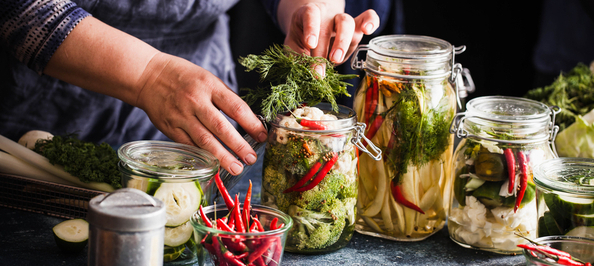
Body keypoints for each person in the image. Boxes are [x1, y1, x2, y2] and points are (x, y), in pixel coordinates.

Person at [0, 0, 380, 175]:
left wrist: (313, 12)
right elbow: (19, 8)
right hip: (46, 120)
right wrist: (149, 73)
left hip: (200, 129)